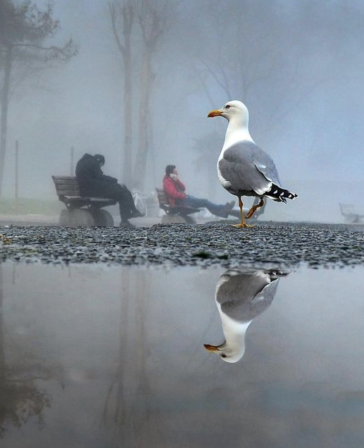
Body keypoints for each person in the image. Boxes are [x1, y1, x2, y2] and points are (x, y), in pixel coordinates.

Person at [76, 153, 143, 227]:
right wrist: (115, 181)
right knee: (123, 191)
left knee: (122, 191)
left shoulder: (85, 161)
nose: (100, 167)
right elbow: (100, 177)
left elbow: (96, 178)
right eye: (101, 165)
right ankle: (129, 215)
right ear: (100, 162)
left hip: (89, 189)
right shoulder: (93, 162)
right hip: (92, 191)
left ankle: (131, 213)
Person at [163, 165, 235, 218]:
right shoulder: (167, 182)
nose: (177, 174)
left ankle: (223, 210)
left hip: (184, 199)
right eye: (175, 172)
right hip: (181, 202)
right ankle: (223, 209)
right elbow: (172, 194)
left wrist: (177, 181)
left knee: (204, 202)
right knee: (204, 201)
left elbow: (183, 188)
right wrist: (183, 196)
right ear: (170, 174)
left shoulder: (173, 180)